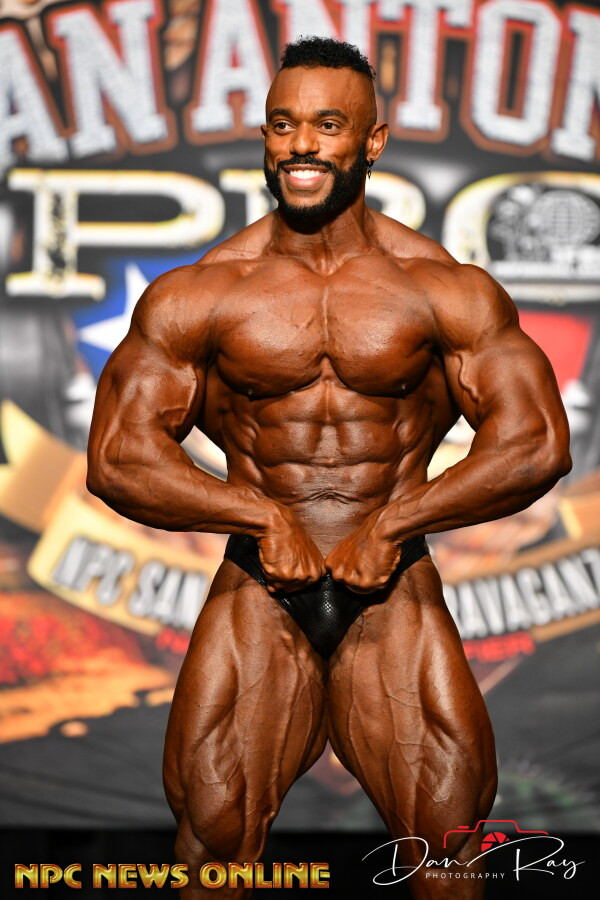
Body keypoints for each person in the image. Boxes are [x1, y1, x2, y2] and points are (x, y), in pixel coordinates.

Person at [87, 37, 571, 899]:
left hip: (392, 591)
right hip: (259, 588)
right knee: (214, 842)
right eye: (283, 124)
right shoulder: (200, 293)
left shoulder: (443, 288)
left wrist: (394, 524)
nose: (301, 144)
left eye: (327, 124)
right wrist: (260, 516)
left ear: (372, 142)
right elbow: (119, 456)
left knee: (447, 849)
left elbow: (534, 443)